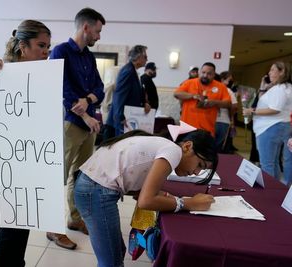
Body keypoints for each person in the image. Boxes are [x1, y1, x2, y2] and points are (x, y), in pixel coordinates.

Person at [74, 122, 218, 267]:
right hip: (94, 191)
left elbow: (138, 186)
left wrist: (159, 195)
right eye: (200, 165)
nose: (196, 172)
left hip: (92, 187)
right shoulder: (174, 151)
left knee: (116, 254)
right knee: (111, 261)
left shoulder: (165, 146)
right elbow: (145, 201)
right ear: (187, 146)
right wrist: (189, 203)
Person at [0, 19, 51, 267]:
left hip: (30, 159)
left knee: (21, 223)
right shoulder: (2, 71)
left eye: (48, 45)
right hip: (7, 161)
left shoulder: (43, 77)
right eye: (41, 45)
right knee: (11, 225)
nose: (46, 51)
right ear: (23, 47)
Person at [47, 7, 106, 250]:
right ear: (86, 27)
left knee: (79, 175)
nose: (99, 36)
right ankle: (51, 228)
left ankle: (74, 218)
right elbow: (64, 91)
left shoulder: (89, 57)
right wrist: (86, 116)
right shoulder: (61, 51)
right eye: (98, 31)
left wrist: (88, 100)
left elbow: (100, 88)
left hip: (87, 124)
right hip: (71, 124)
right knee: (56, 176)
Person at [243, 61, 292, 184]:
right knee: (274, 161)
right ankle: (275, 188)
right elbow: (263, 99)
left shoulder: (280, 89)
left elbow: (275, 109)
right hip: (276, 126)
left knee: (267, 163)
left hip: (271, 127)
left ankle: (269, 191)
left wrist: (252, 111)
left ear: (282, 72)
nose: (269, 73)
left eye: (272, 70)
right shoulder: (282, 88)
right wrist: (263, 87)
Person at [105, 45, 151, 138]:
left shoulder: (134, 71)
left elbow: (136, 93)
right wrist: (121, 117)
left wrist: (145, 103)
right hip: (123, 120)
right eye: (145, 57)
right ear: (138, 58)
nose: (147, 59)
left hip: (130, 118)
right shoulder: (128, 71)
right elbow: (119, 95)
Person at [174, 62, 231, 136]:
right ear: (199, 72)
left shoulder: (221, 87)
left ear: (214, 75)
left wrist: (214, 102)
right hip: (186, 128)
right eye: (203, 72)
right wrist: (193, 96)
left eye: (209, 74)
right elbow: (176, 94)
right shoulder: (189, 83)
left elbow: (228, 103)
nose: (205, 75)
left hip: (207, 130)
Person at [214, 71, 238, 153]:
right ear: (222, 79)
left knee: (208, 145)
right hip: (223, 122)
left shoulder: (211, 89)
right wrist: (230, 115)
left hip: (210, 121)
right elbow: (235, 106)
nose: (229, 82)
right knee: (219, 146)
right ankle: (215, 164)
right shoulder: (228, 90)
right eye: (228, 80)